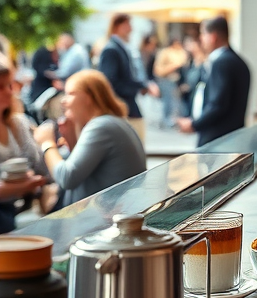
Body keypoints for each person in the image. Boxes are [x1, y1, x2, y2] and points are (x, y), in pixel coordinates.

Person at [33, 69, 146, 209]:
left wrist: (47, 142)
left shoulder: (101, 126)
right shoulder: (113, 122)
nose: (64, 101)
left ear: (89, 97)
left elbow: (66, 178)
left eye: (70, 94)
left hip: (106, 219)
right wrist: (71, 140)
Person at [176, 16, 250, 146]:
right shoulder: (236, 61)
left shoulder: (222, 62)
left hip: (217, 139)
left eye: (203, 33)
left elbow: (218, 104)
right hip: (230, 138)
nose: (201, 38)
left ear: (213, 36)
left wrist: (194, 124)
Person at [98, 13, 160, 143]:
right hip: (122, 107)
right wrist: (143, 86)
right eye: (127, 25)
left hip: (125, 106)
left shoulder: (119, 48)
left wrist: (144, 85)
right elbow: (111, 83)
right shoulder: (112, 49)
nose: (131, 29)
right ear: (117, 26)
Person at [0, 63, 47, 233]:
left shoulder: (17, 123)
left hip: (22, 208)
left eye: (9, 85)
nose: (9, 92)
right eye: (0, 87)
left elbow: (39, 166)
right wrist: (24, 185)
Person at [153, 37, 190, 129]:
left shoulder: (181, 52)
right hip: (166, 79)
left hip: (177, 80)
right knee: (168, 101)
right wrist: (173, 66)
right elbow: (158, 69)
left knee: (176, 102)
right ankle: (167, 120)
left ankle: (175, 120)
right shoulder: (165, 52)